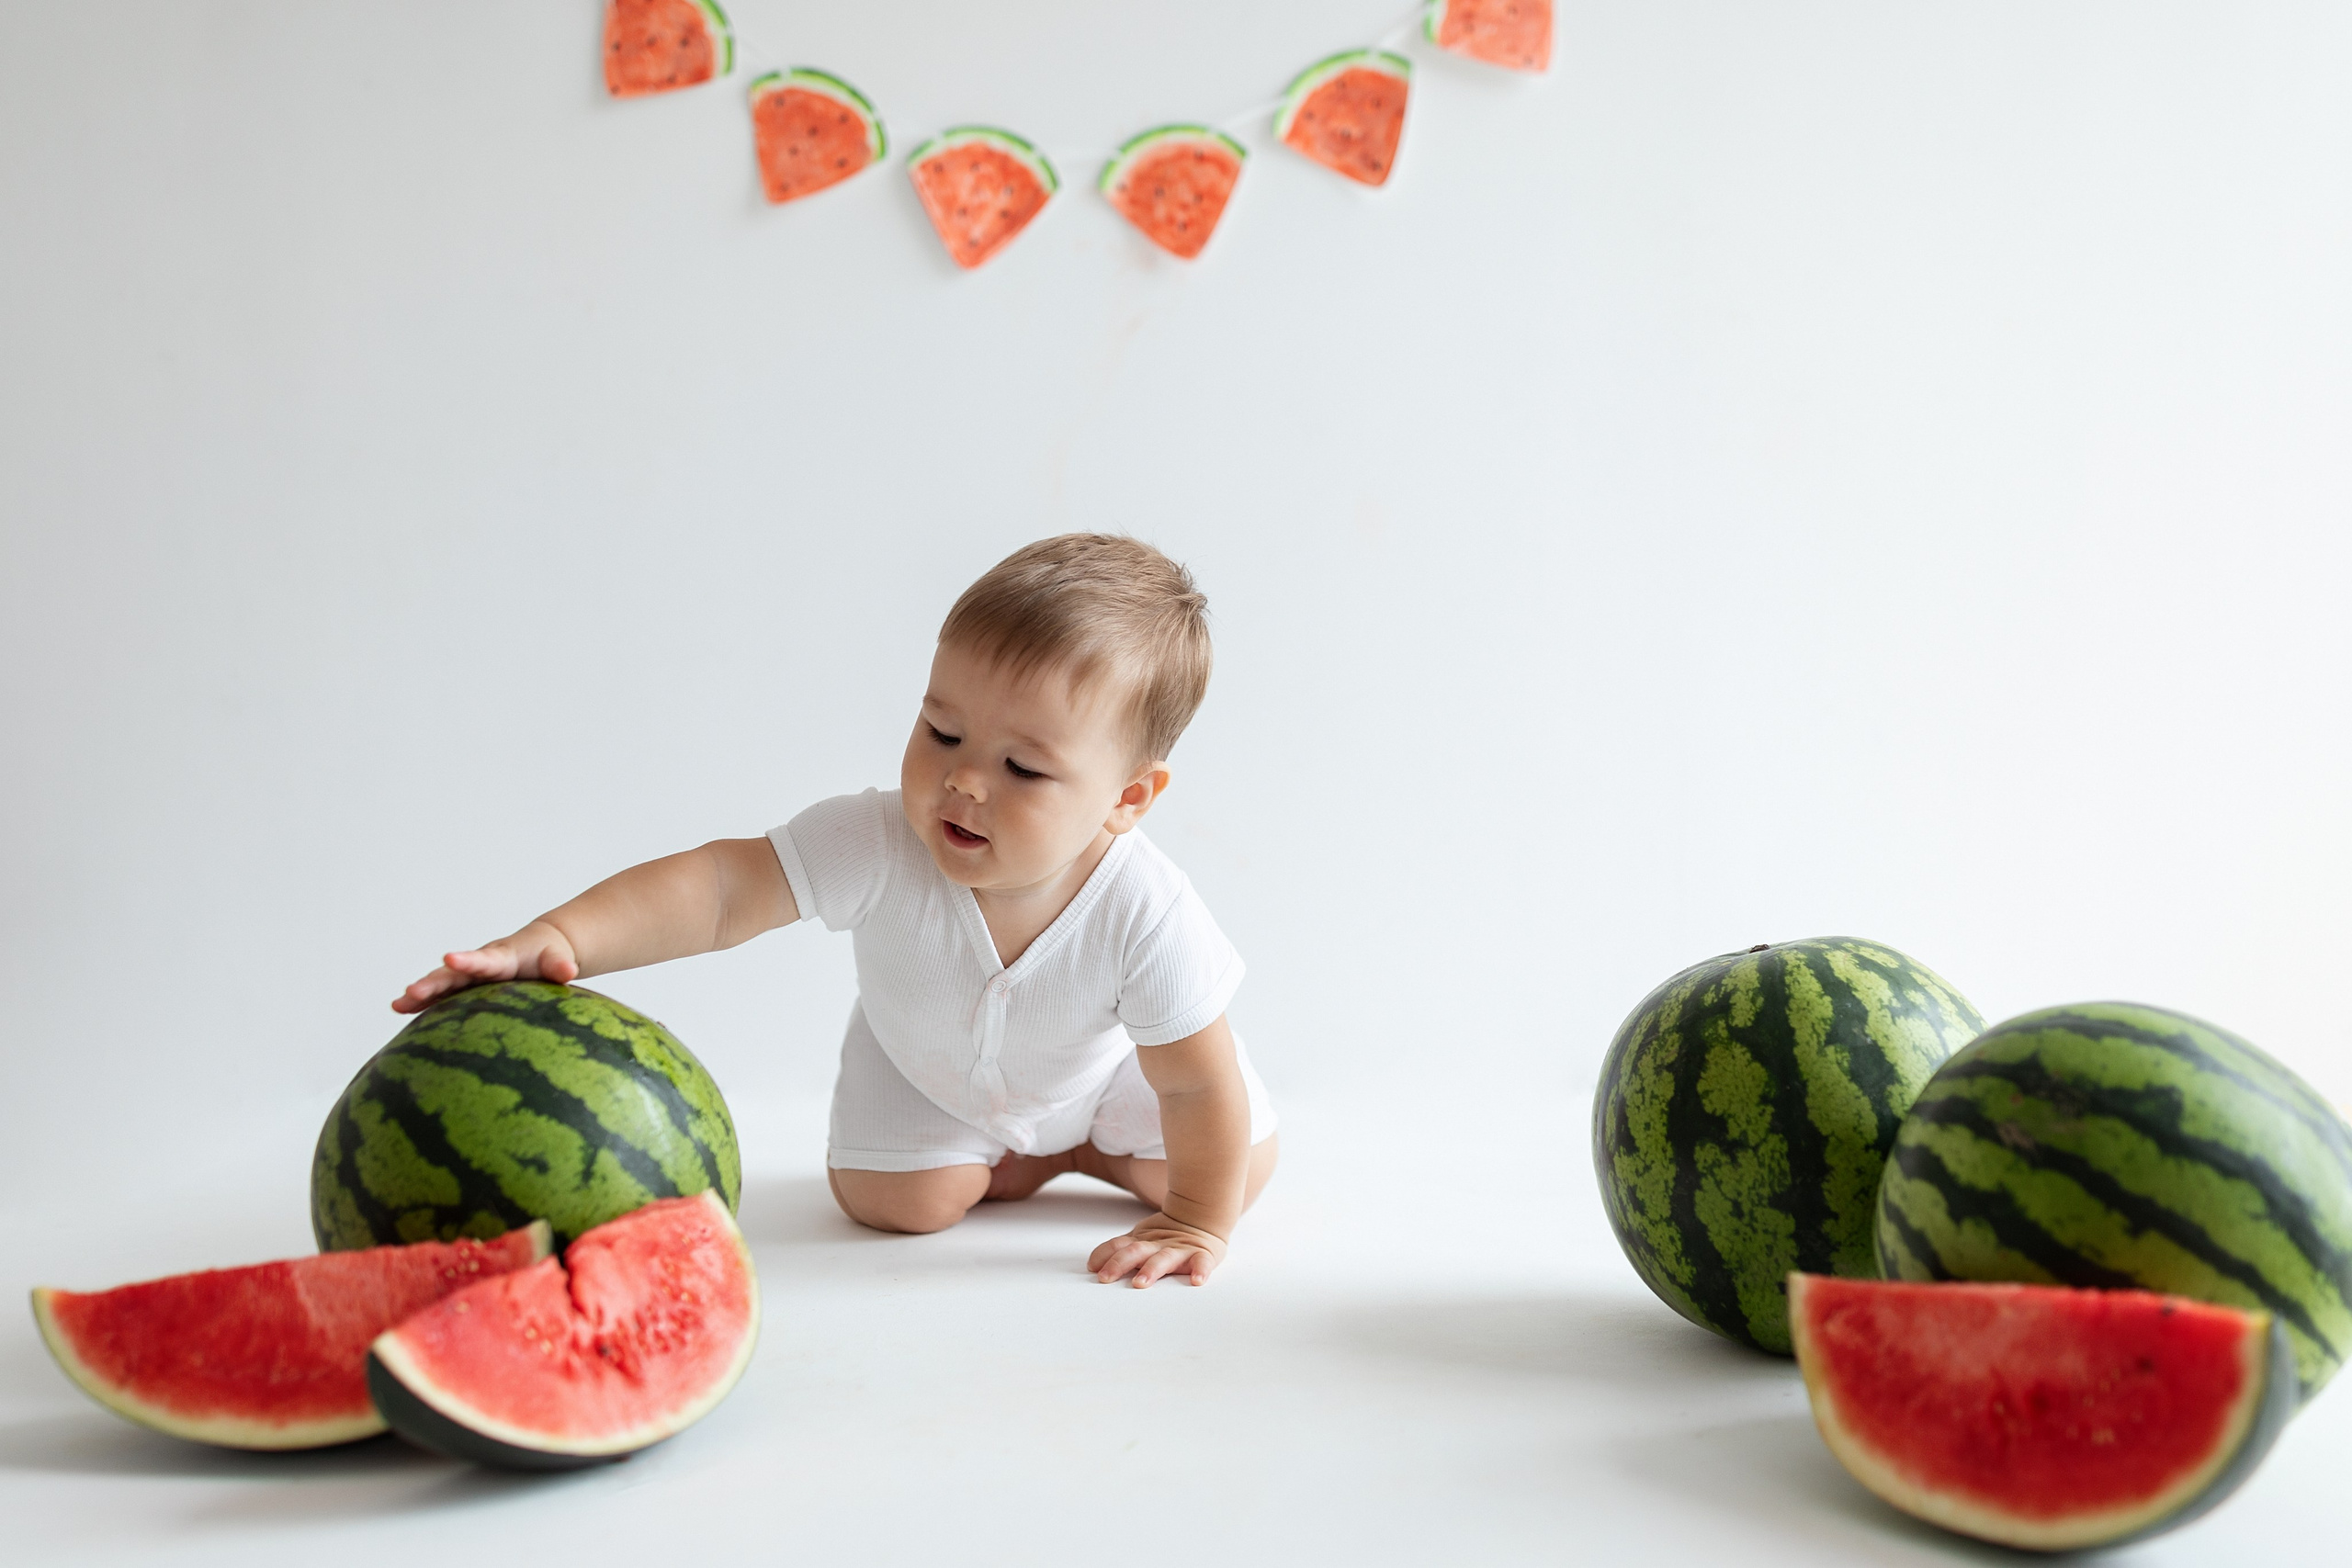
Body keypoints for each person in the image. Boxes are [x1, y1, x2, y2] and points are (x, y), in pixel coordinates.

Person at [395, 535, 1277, 1287]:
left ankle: (1082, 1149)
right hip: (920, 1070)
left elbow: (1195, 1080)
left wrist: (1197, 1222)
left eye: (1023, 770)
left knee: (1229, 1170)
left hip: (1112, 1074)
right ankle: (1029, 1157)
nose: (964, 780)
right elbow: (718, 889)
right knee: (892, 1203)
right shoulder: (878, 839)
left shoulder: (1145, 911)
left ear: (1128, 796)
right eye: (942, 733)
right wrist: (558, 938)